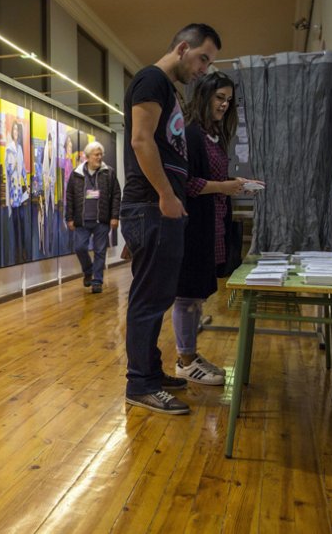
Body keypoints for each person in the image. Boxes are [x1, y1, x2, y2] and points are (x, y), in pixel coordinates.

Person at [120, 23, 222, 414]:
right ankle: (140, 384)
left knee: (157, 297)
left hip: (155, 209)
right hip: (153, 205)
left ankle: (150, 372)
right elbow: (141, 141)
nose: (204, 70)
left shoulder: (168, 90)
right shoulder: (151, 79)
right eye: (202, 59)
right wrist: (164, 195)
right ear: (182, 47)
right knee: (149, 300)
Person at [172, 72, 253, 385]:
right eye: (220, 98)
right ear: (204, 96)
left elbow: (211, 182)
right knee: (186, 293)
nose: (224, 104)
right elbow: (187, 183)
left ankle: (189, 354)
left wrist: (234, 186)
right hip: (194, 225)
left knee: (197, 295)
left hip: (213, 221)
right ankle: (185, 359)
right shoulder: (191, 134)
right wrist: (225, 185)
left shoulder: (214, 135)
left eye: (228, 100)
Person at [65, 141, 120, 294]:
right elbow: (69, 197)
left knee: (100, 251)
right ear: (88, 157)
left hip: (101, 219)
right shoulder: (76, 174)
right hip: (81, 220)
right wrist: (69, 218)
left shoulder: (109, 172)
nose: (100, 157)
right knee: (80, 248)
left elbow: (116, 194)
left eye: (101, 154)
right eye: (96, 155)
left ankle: (97, 281)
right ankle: (88, 271)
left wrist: (115, 216)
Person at [4, 121, 29, 264]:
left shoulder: (19, 148)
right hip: (13, 190)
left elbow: (24, 168)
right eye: (13, 130)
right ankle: (17, 252)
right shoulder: (9, 149)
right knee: (15, 223)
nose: (15, 132)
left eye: (17, 130)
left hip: (20, 190)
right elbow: (9, 169)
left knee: (22, 221)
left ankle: (24, 249)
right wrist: (13, 165)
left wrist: (27, 184)